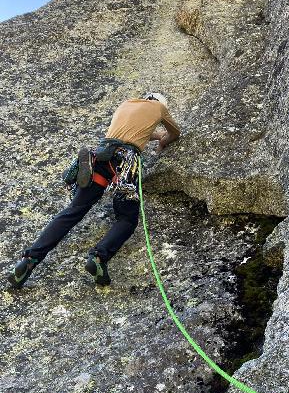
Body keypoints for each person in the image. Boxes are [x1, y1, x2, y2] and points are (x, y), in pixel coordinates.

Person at [7, 92, 180, 288]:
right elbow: (175, 133)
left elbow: (136, 132)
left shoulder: (127, 103)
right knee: (127, 218)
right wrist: (162, 142)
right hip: (126, 160)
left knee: (74, 210)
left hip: (101, 156)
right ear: (160, 103)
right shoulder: (159, 108)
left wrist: (153, 136)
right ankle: (98, 258)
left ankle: (30, 260)